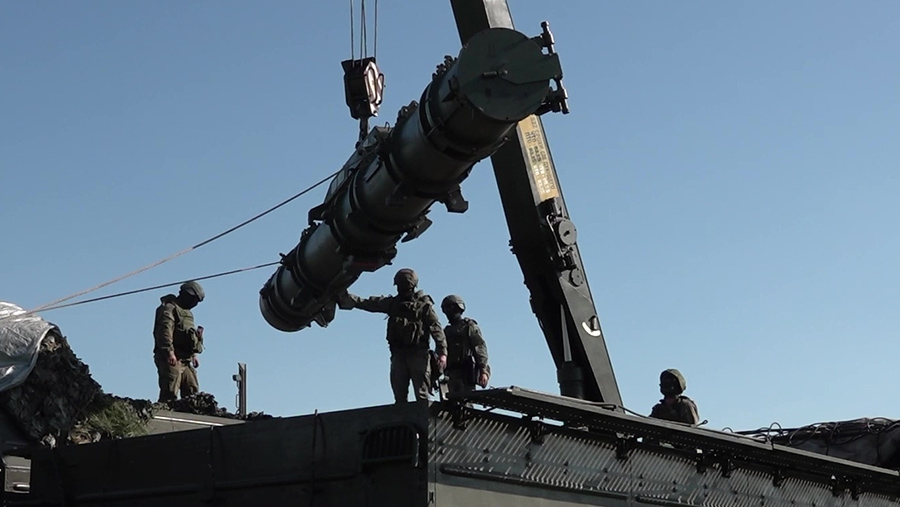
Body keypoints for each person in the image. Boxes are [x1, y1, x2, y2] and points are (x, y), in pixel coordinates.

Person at [338, 268, 447, 403]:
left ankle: (423, 416)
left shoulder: (423, 306)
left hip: (418, 354)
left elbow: (436, 328)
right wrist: (347, 297)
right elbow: (368, 303)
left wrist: (442, 352)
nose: (403, 289)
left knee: (421, 395)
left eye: (405, 287)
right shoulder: (393, 304)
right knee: (400, 396)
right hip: (399, 355)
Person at [152, 281, 205, 403]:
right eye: (194, 300)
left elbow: (189, 334)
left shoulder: (187, 314)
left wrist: (194, 355)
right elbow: (165, 331)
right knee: (170, 392)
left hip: (185, 359)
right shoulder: (169, 309)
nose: (194, 304)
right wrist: (169, 352)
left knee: (192, 391)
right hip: (172, 357)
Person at [440, 295, 490, 394]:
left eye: (451, 307)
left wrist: (483, 371)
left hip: (466, 373)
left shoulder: (469, 327)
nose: (449, 311)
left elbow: (480, 348)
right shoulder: (446, 331)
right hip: (450, 373)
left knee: (467, 400)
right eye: (446, 308)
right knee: (451, 401)